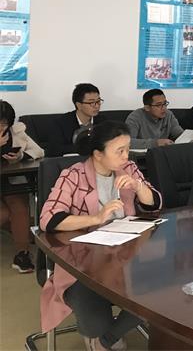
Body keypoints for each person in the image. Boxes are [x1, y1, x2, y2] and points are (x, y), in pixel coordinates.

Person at [39, 121, 161, 350]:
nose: (126, 156)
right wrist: (96, 218)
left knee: (162, 292)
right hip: (82, 265)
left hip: (125, 259)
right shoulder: (73, 175)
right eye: (119, 151)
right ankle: (104, 335)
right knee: (96, 324)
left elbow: (154, 204)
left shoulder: (129, 169)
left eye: (127, 149)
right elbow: (48, 219)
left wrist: (138, 186)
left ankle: (106, 340)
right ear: (98, 154)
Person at [0, 100, 44, 273]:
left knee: (19, 207)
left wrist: (20, 156)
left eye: (4, 123)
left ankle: (22, 254)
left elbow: (39, 151)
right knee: (4, 214)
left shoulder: (16, 132)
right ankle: (18, 232)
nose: (2, 127)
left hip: (10, 181)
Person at [50, 83, 106, 156]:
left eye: (98, 101)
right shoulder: (61, 123)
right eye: (92, 102)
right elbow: (55, 149)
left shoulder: (103, 121)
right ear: (79, 105)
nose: (97, 106)